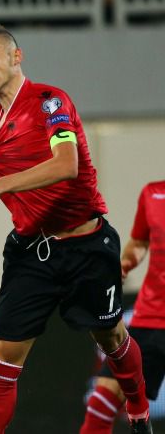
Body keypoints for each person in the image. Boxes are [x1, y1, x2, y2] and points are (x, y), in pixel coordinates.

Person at [0, 24, 152, 434]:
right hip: (32, 253)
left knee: (111, 339)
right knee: (5, 355)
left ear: (16, 56)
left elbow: (67, 165)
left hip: (86, 246)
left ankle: (137, 408)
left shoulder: (49, 102)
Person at [80, 180, 165, 433]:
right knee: (103, 398)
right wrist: (124, 264)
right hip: (151, 315)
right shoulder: (153, 193)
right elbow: (140, 243)